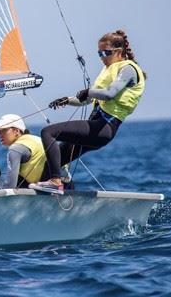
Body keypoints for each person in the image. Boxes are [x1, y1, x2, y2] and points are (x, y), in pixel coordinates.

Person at [29, 29, 146, 193]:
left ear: (119, 51)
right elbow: (89, 99)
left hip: (104, 127)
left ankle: (56, 182)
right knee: (52, 163)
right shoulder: (108, 69)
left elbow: (109, 94)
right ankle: (62, 194)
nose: (102, 57)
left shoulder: (128, 69)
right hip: (95, 125)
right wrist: (67, 100)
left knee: (48, 132)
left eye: (106, 52)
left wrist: (88, 91)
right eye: (99, 53)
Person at [0, 113, 46, 189]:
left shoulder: (15, 149)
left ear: (16, 131)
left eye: (3, 129)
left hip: (44, 193)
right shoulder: (36, 139)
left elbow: (10, 187)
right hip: (60, 186)